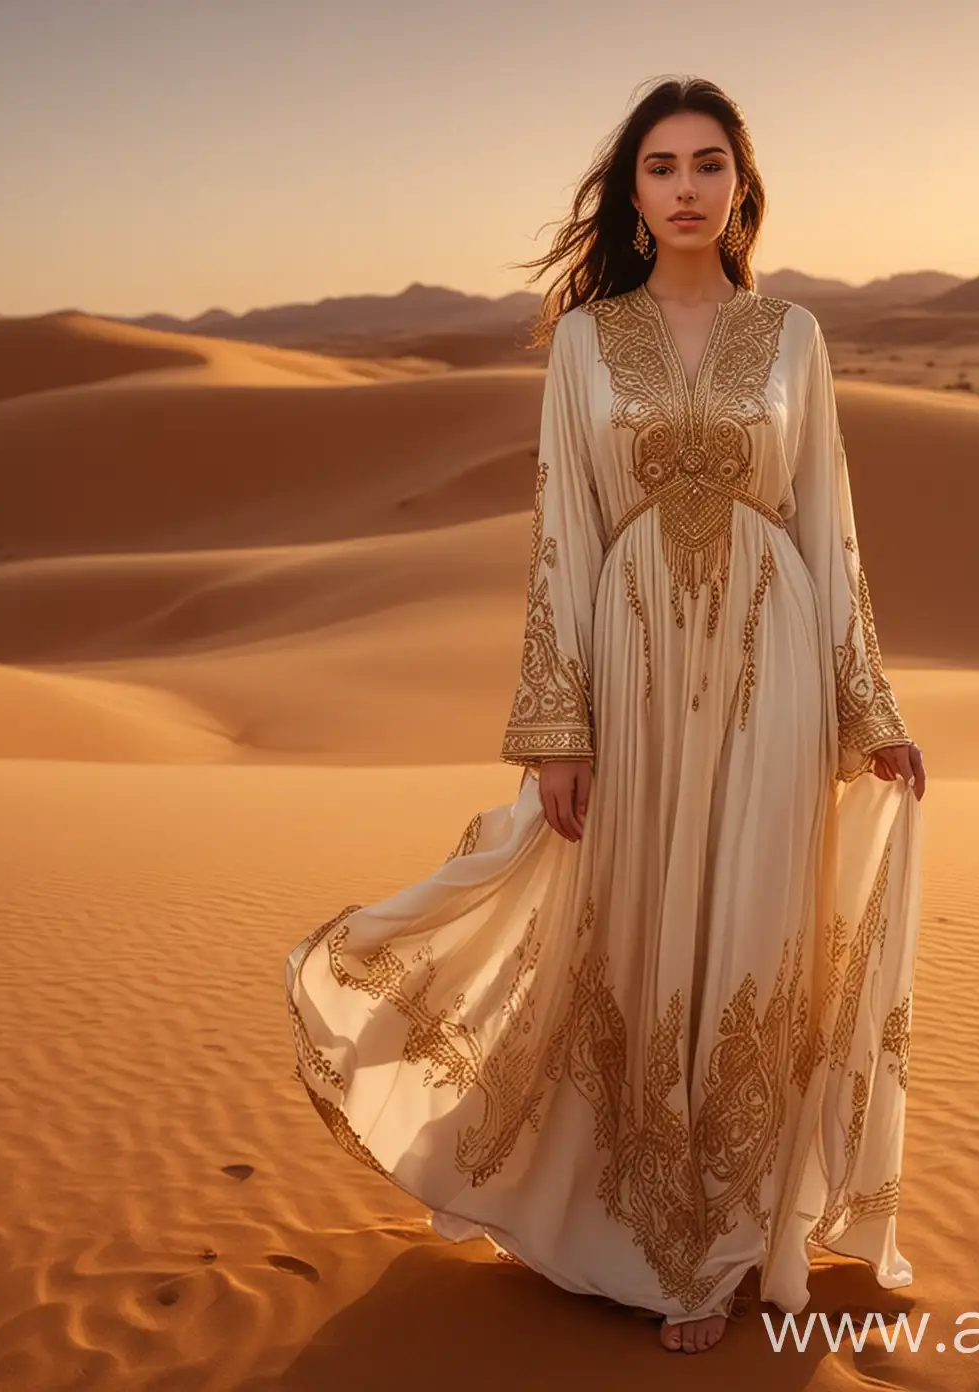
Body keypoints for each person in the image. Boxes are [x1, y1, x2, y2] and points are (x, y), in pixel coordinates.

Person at [284, 75, 928, 1356]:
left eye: (706, 165)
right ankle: (641, 1233)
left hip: (775, 662)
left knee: (749, 939)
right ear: (631, 195)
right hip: (631, 663)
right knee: (633, 938)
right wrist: (557, 730)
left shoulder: (795, 338)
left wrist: (871, 707)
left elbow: (827, 527)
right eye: (660, 168)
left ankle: (723, 1241)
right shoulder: (583, 343)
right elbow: (563, 540)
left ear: (741, 184)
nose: (686, 188)